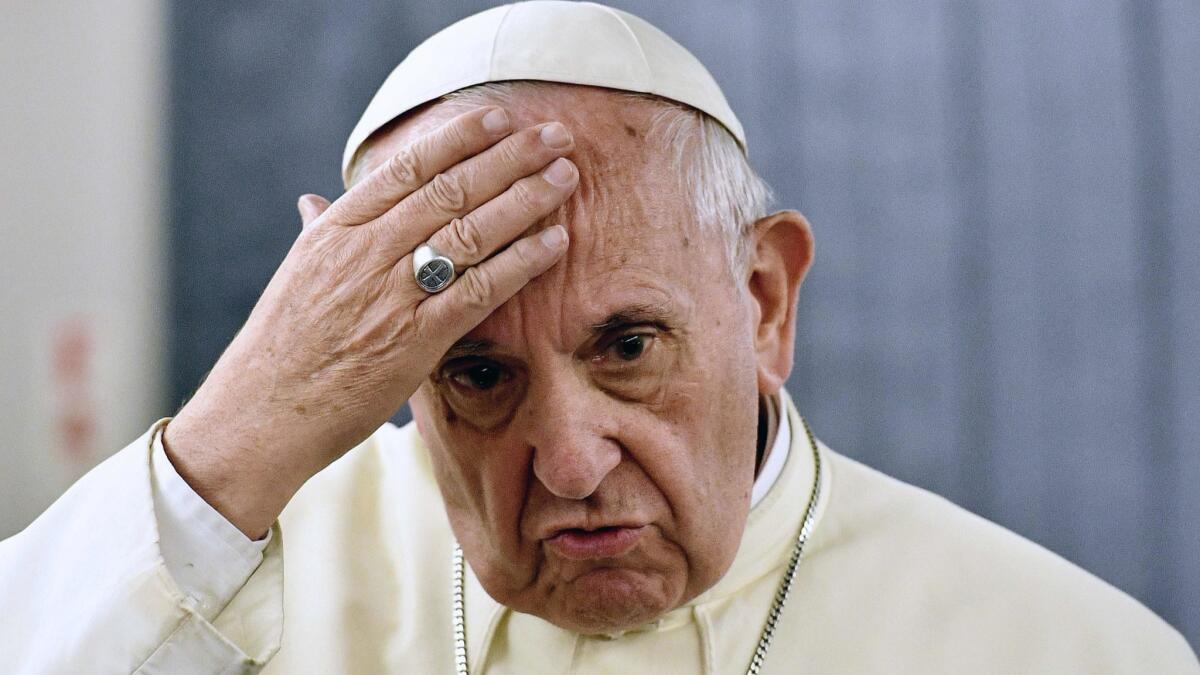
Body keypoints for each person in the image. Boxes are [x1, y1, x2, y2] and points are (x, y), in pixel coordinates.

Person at [1, 2, 1196, 673]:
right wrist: (237, 433)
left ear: (766, 301)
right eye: (477, 370)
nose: (570, 465)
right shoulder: (245, 585)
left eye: (627, 347)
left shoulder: (1062, 651)